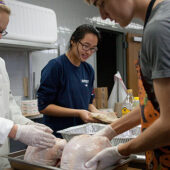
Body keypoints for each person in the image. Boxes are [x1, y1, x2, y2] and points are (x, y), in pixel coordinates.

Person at [83, 0, 170, 170]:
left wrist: (119, 151)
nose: (102, 15)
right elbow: (154, 106)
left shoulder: (159, 28)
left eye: (101, 3)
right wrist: (110, 130)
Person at [0, 1, 59, 169]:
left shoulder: (0, 64)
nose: (0, 37)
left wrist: (27, 125)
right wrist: (16, 131)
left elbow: (8, 106)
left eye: (2, 31)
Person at [37, 24, 103, 137]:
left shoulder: (88, 70)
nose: (88, 52)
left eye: (93, 48)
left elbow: (88, 103)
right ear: (73, 40)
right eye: (85, 46)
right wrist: (78, 113)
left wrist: (98, 114)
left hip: (81, 136)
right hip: (57, 136)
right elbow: (44, 107)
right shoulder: (56, 66)